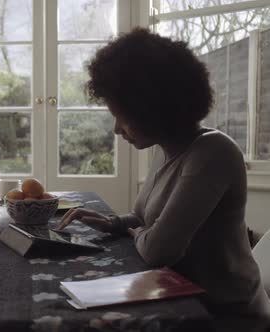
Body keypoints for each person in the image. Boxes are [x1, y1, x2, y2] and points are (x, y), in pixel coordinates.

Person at [57, 28, 270, 328]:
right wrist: (116, 224)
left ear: (151, 108)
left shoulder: (213, 153)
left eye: (122, 116)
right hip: (177, 296)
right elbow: (146, 219)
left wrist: (137, 233)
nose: (117, 129)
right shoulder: (164, 149)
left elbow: (159, 250)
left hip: (225, 313)